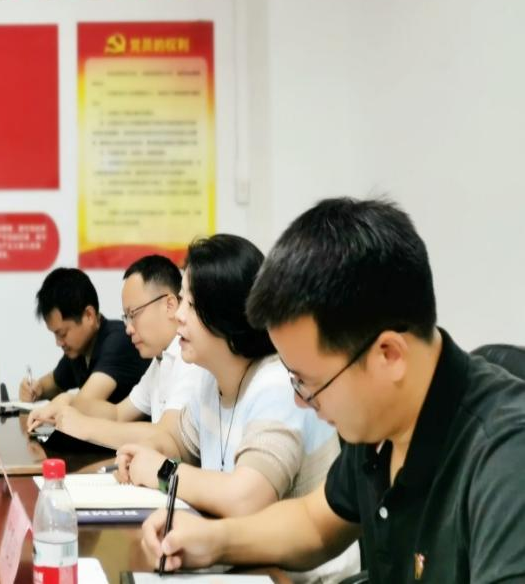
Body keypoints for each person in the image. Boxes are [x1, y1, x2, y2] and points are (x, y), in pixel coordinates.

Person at [141, 198, 525, 583]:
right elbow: (314, 522)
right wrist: (214, 541)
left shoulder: (505, 462)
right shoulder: (380, 420)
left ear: (389, 355)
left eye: (309, 382)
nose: (300, 401)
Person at [116, 234, 355, 582]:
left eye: (190, 304)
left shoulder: (277, 385)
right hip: (247, 566)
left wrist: (162, 471)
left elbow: (245, 499)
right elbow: (177, 441)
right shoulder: (210, 379)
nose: (178, 316)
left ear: (226, 316)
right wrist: (142, 453)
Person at [28, 255, 206, 449]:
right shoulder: (161, 360)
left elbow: (167, 435)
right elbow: (118, 414)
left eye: (133, 314)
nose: (128, 329)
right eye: (126, 317)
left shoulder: (190, 359)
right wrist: (67, 402)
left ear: (169, 305)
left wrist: (85, 426)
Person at [18, 267, 146, 409]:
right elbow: (53, 383)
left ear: (89, 315)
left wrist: (62, 400)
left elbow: (85, 403)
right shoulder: (80, 350)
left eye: (62, 334)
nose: (58, 342)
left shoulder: (118, 341)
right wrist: (35, 389)